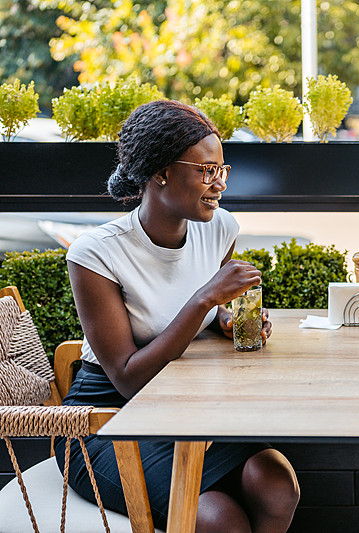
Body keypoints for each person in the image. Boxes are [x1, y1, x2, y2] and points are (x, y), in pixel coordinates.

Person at [55, 100, 300, 532]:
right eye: (206, 170)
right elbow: (128, 377)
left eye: (223, 170)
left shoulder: (220, 228)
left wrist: (226, 320)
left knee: (276, 484)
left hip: (187, 408)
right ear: (160, 172)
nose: (218, 184)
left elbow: (212, 311)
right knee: (218, 519)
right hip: (110, 420)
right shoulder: (96, 253)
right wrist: (204, 300)